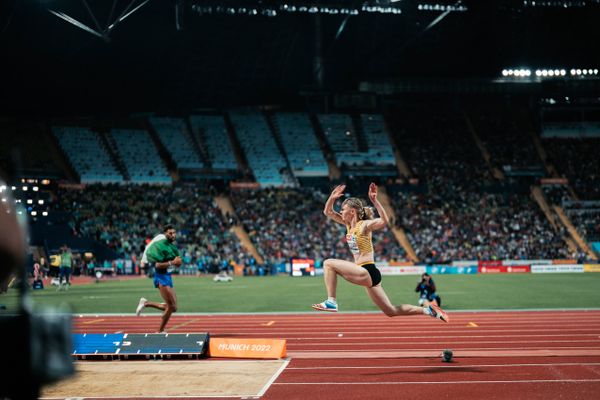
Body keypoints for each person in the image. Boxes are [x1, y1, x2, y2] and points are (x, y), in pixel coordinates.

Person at [312, 183, 449, 323]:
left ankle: (331, 301)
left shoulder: (364, 225)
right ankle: (428, 310)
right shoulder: (348, 225)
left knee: (328, 263)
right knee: (390, 311)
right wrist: (332, 197)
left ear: (352, 211)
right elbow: (327, 212)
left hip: (366, 270)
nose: (340, 212)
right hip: (369, 275)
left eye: (343, 209)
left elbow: (384, 221)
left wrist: (375, 201)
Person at [135, 224, 182, 333]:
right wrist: (172, 262)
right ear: (165, 234)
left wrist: (178, 262)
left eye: (174, 233)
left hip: (168, 276)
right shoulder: (160, 245)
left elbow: (178, 262)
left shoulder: (173, 247)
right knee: (170, 307)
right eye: (170, 233)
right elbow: (157, 265)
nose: (173, 235)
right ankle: (160, 331)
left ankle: (145, 303)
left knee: (173, 308)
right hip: (161, 276)